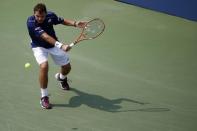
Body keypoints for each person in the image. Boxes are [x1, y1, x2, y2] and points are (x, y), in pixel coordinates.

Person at [27, 3, 85, 109]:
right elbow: (45, 37)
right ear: (34, 14)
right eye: (37, 16)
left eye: (42, 16)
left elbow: (62, 21)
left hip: (53, 45)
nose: (40, 18)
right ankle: (44, 97)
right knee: (44, 66)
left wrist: (75, 23)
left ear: (46, 13)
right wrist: (61, 45)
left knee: (67, 67)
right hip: (38, 46)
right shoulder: (31, 22)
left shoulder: (51, 16)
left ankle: (61, 78)